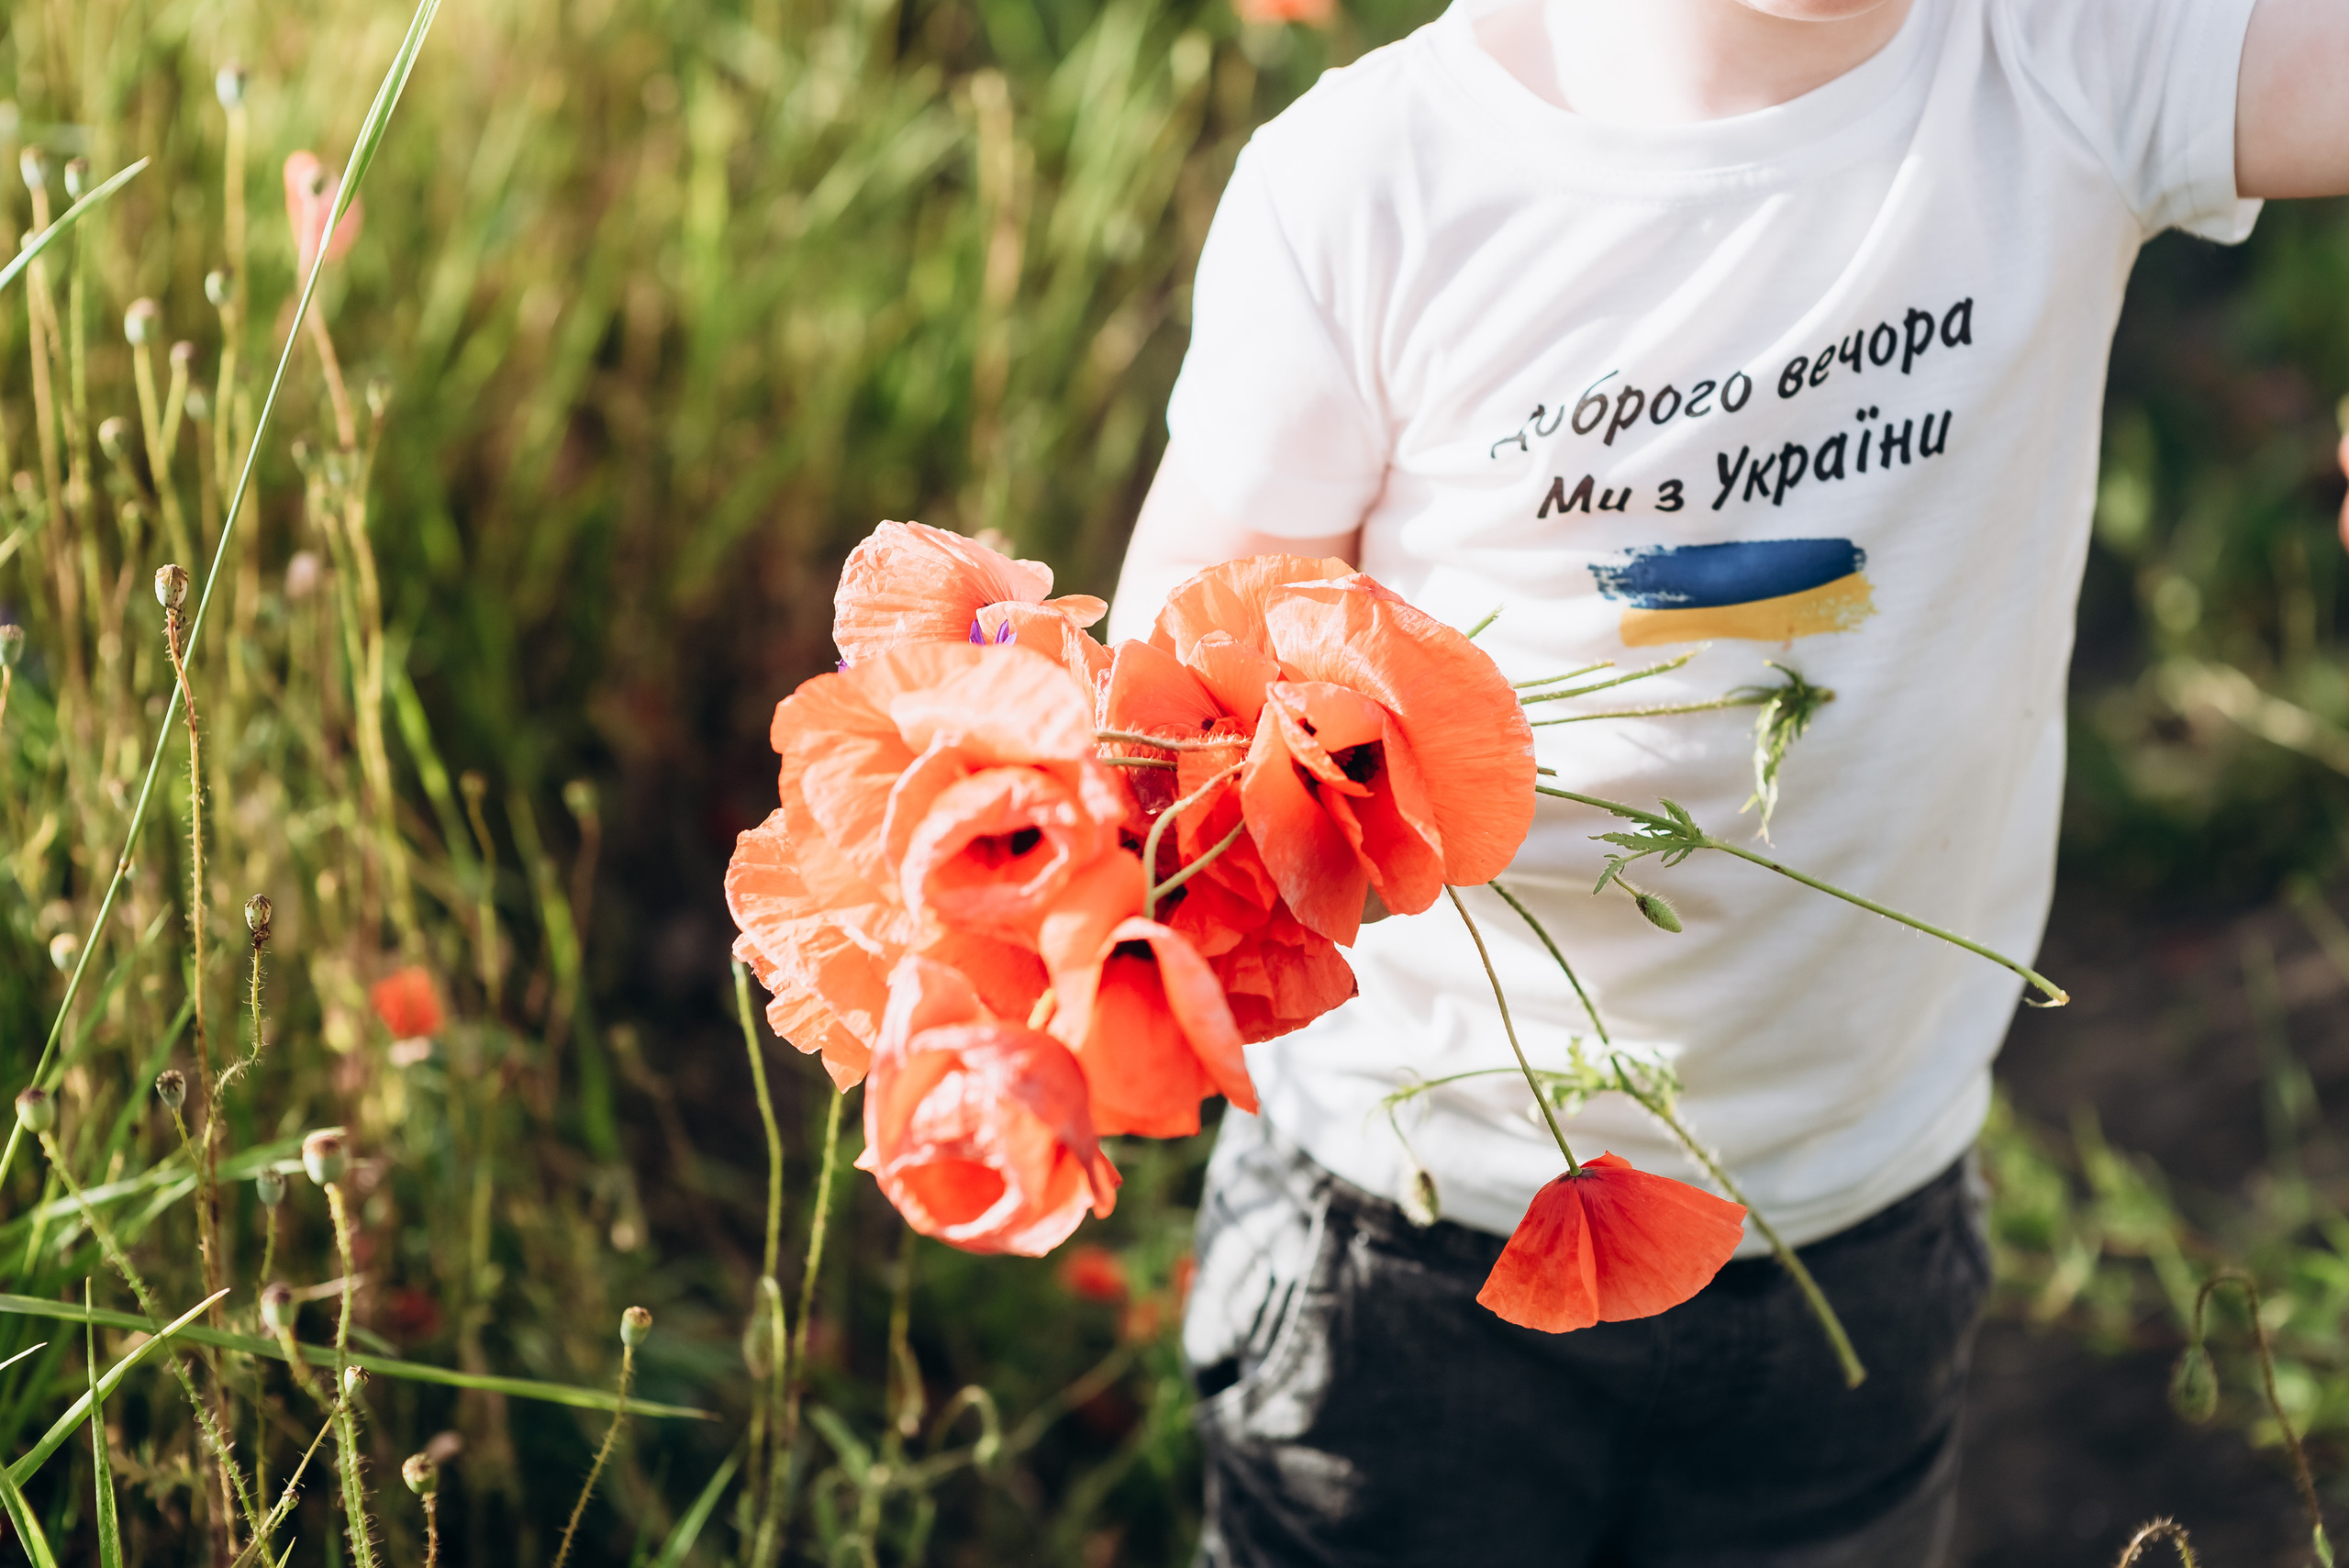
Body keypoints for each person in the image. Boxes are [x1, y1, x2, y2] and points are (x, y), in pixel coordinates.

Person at [1104, 0, 2349, 1562]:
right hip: (1414, 1234)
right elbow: (1180, 696)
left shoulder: (2063, 56)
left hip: (1855, 1232)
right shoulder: (1376, 184)